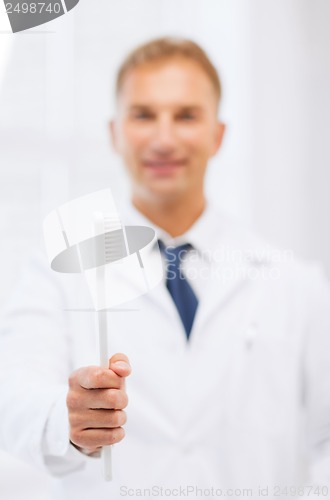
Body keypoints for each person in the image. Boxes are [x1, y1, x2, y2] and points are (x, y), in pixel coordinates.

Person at [1, 37, 330, 500]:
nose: (163, 138)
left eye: (186, 115)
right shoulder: (59, 267)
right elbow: (14, 394)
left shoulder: (293, 282)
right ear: (115, 132)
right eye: (143, 115)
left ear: (218, 134)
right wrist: (68, 419)